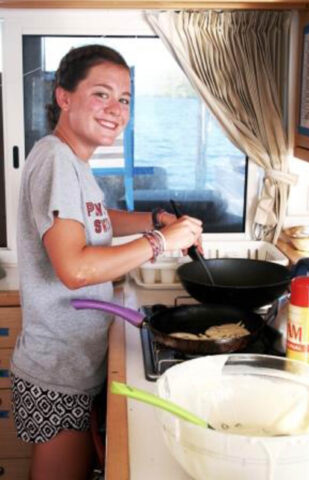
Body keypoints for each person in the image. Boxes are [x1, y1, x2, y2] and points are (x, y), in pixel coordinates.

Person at [10, 44, 202, 480]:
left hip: (73, 361)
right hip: (58, 370)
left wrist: (153, 219)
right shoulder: (57, 160)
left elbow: (94, 219)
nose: (116, 109)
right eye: (102, 94)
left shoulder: (71, 159)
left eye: (125, 98)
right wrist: (159, 241)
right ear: (64, 96)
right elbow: (75, 268)